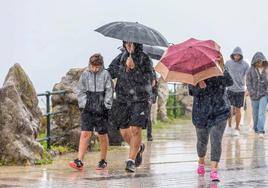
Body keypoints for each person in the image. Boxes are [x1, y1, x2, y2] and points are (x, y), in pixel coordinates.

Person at [108, 41, 154, 172]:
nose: (128, 45)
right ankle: (138, 148)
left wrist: (136, 68)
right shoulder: (120, 57)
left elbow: (150, 78)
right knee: (123, 130)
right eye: (126, 43)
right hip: (122, 98)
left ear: (137, 44)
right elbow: (110, 72)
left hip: (140, 98)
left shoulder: (145, 58)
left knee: (135, 129)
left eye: (131, 43)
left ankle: (131, 160)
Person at [188, 56, 233, 182]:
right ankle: (201, 161)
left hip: (219, 111)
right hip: (201, 112)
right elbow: (191, 91)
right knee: (202, 142)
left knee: (216, 140)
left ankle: (214, 170)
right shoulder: (195, 71)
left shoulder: (220, 68)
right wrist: (198, 85)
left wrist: (221, 67)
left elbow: (229, 81)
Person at [69, 53, 113, 170]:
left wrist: (106, 105)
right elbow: (80, 90)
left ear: (101, 65)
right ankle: (79, 161)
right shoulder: (85, 74)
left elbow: (109, 90)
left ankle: (103, 160)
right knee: (85, 133)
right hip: (88, 108)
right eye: (93, 66)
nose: (95, 69)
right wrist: (83, 105)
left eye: (97, 66)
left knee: (102, 134)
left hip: (101, 108)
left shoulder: (105, 74)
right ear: (90, 64)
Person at [225, 47, 249, 136]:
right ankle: (229, 126)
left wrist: (247, 88)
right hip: (230, 89)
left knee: (238, 109)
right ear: (233, 55)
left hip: (240, 90)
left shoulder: (245, 65)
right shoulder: (228, 63)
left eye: (238, 55)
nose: (236, 56)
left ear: (241, 55)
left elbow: (248, 77)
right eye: (235, 55)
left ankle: (237, 127)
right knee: (229, 108)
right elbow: (223, 72)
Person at [246, 52, 268, 138]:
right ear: (254, 61)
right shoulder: (250, 70)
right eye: (257, 62)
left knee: (261, 113)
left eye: (261, 61)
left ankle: (261, 130)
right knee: (255, 114)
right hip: (254, 95)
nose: (259, 63)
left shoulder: (266, 69)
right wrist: (251, 92)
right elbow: (248, 82)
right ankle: (256, 128)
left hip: (264, 94)